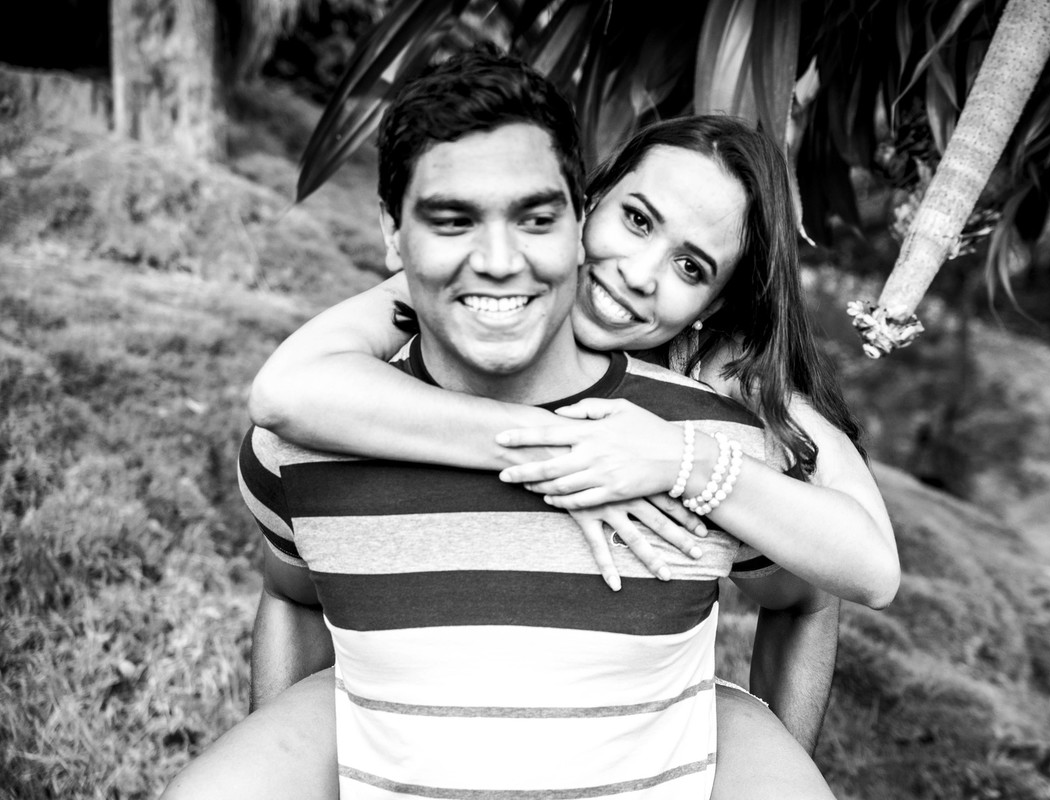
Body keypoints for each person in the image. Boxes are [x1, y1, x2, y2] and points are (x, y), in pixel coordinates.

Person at [164, 47, 896, 800]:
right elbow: (287, 402)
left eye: (691, 268)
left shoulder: (719, 403)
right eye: (636, 220)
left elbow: (851, 577)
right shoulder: (405, 328)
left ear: (713, 305)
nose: (638, 272)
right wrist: (557, 443)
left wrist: (686, 461)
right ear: (590, 205)